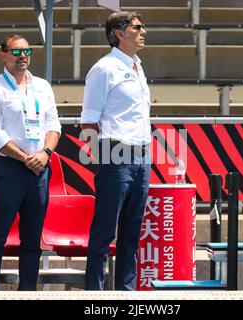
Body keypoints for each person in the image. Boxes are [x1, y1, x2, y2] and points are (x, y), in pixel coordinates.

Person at [0, 34, 61, 290]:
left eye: (27, 51)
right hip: (9, 170)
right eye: (16, 52)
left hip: (39, 170)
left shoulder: (43, 86)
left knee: (32, 241)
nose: (22, 56)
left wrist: (45, 153)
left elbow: (54, 125)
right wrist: (27, 158)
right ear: (3, 54)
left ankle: (28, 293)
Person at [80, 11, 151, 290]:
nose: (143, 31)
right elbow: (88, 119)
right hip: (115, 154)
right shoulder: (104, 68)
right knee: (104, 232)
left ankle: (126, 293)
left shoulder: (138, 66)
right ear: (119, 34)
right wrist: (103, 156)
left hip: (142, 155)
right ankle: (94, 295)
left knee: (132, 233)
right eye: (137, 27)